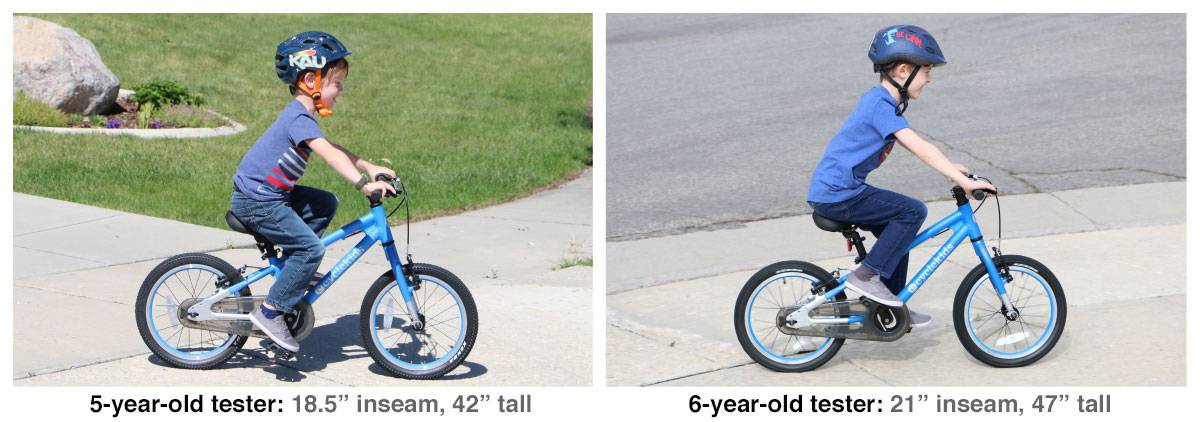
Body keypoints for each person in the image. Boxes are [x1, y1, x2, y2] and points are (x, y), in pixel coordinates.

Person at [806, 24, 996, 329]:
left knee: (898, 236)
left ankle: (889, 308)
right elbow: (920, 147)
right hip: (838, 193)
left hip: (840, 191)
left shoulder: (883, 104)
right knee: (912, 211)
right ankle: (865, 277)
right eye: (927, 71)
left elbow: (917, 147)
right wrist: (964, 182)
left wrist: (952, 168)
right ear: (903, 70)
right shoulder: (878, 105)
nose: (930, 78)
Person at [230, 31, 396, 353]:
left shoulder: (302, 118)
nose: (341, 90)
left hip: (271, 196)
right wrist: (364, 184)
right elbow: (328, 154)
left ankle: (295, 268)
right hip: (257, 202)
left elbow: (332, 147)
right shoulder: (297, 117)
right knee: (311, 250)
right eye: (336, 83)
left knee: (323, 203)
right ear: (310, 81)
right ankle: (270, 311)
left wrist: (368, 165)